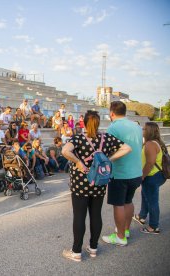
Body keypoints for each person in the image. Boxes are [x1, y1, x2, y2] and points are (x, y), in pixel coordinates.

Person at [61, 110, 131, 261]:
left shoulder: (79, 138)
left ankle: (76, 252)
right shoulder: (106, 138)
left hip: (81, 184)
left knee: (79, 217)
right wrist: (109, 158)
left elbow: (65, 151)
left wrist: (78, 162)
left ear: (84, 123)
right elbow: (127, 148)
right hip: (99, 183)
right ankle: (93, 248)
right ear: (98, 123)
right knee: (96, 215)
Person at [102, 101, 143, 246]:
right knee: (128, 201)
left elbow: (109, 149)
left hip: (120, 173)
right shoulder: (136, 126)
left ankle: (120, 237)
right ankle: (125, 230)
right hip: (136, 172)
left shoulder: (113, 127)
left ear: (112, 113)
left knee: (118, 204)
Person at [133, 122, 167, 234]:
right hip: (155, 175)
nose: (142, 130)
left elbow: (150, 163)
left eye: (144, 129)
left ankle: (154, 226)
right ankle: (142, 216)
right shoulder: (155, 142)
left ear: (149, 131)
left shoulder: (150, 144)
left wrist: (141, 177)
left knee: (152, 201)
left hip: (152, 176)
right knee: (145, 195)